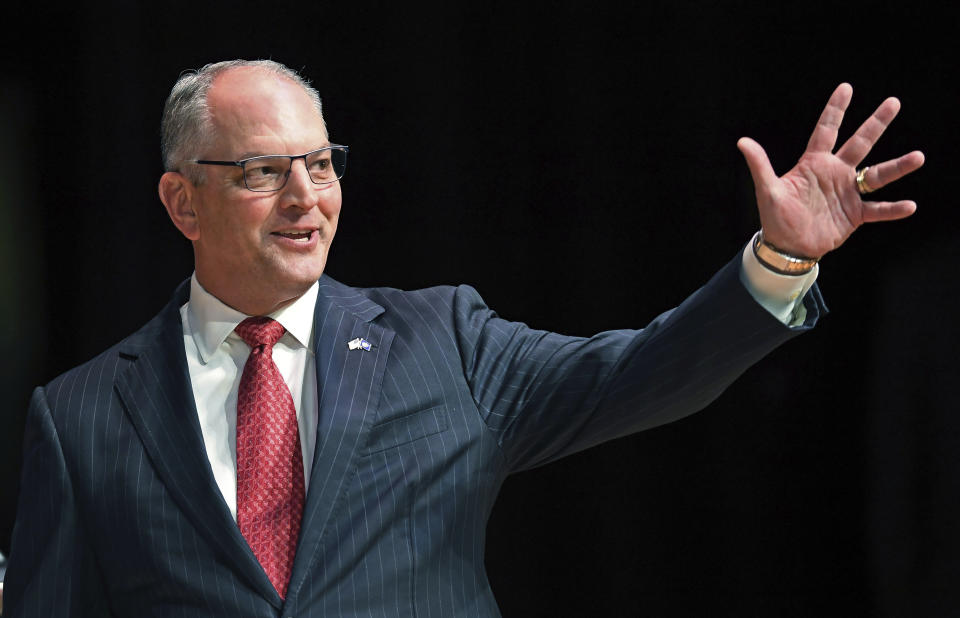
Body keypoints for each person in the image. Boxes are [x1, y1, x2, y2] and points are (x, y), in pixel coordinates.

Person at [4, 60, 924, 617]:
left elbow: (642, 371)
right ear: (181, 202)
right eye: (261, 171)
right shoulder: (81, 415)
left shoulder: (444, 341)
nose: (306, 198)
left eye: (321, 165)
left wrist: (776, 261)